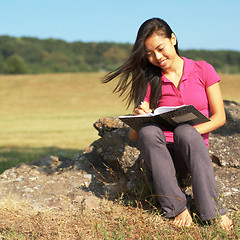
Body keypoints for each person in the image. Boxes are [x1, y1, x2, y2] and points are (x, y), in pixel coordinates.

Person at [103, 17, 233, 230]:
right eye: (150, 54)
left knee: (185, 131)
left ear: (173, 39)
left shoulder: (203, 70)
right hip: (161, 158)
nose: (157, 57)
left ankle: (211, 211)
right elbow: (135, 138)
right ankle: (177, 207)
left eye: (160, 49)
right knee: (148, 132)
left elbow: (220, 117)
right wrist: (140, 116)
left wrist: (190, 132)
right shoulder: (149, 81)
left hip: (191, 151)